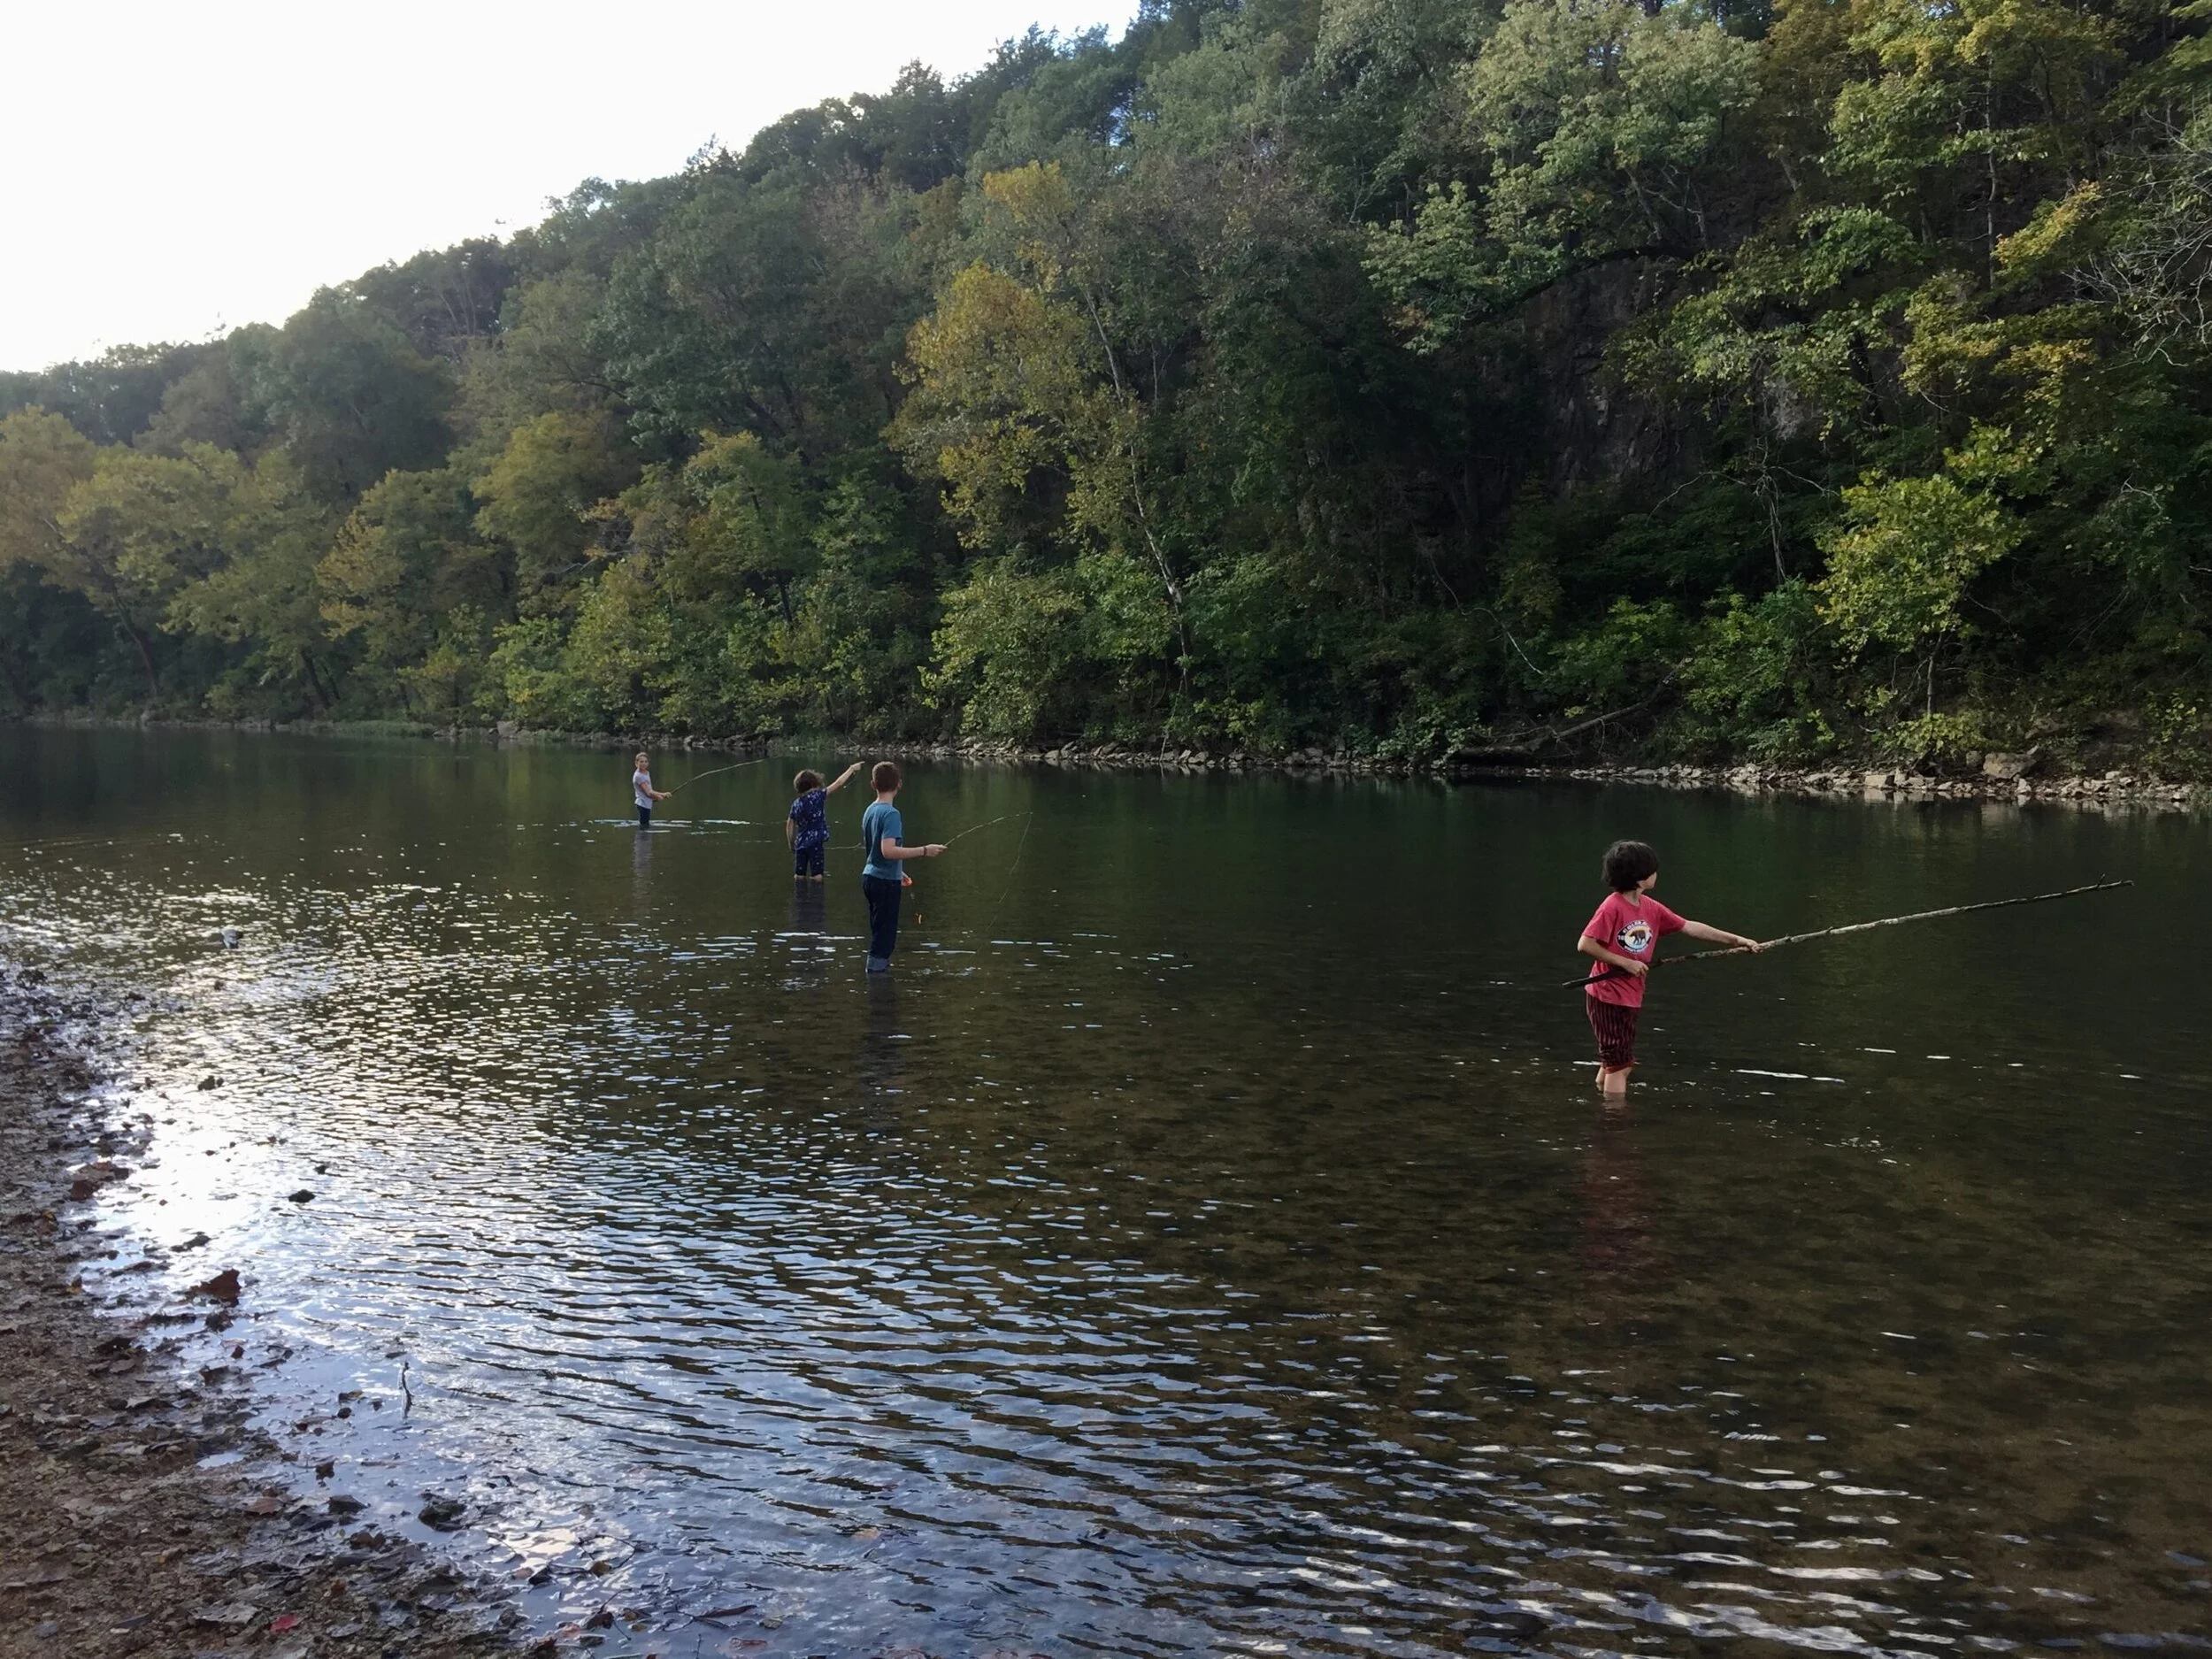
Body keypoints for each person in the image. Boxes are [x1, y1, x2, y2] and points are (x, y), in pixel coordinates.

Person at [1577, 840, 1761, 1096]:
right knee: (1620, 1065)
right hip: (1607, 994)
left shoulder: (1649, 907)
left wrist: (1736, 940)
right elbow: (1585, 944)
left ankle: (1600, 1095)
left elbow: (1688, 926)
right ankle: (1614, 1121)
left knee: (1614, 1058)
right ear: (1640, 879)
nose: (1656, 874)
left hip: (1630, 995)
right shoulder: (1613, 906)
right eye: (1652, 870)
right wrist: (1626, 962)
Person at [858, 761, 944, 972]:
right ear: (899, 784)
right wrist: (924, 850)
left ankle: (877, 981)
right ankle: (877, 985)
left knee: (879, 934)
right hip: (884, 883)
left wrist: (899, 871)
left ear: (872, 784)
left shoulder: (870, 810)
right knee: (884, 940)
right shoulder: (891, 814)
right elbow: (887, 851)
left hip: (870, 878)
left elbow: (874, 851)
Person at [785, 760, 865, 881]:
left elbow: (789, 825)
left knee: (799, 875)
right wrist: (852, 769)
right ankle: (816, 898)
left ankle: (800, 897)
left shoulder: (796, 804)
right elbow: (838, 783)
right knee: (817, 876)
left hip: (800, 844)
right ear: (814, 782)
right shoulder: (818, 796)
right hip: (816, 843)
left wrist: (791, 844)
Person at [632, 752, 669, 829]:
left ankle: (645, 840)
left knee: (646, 825)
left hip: (647, 804)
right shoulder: (639, 776)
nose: (644, 764)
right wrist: (663, 794)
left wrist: (656, 797)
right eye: (641, 762)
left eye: (646, 761)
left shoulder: (646, 773)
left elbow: (649, 791)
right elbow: (648, 792)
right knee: (644, 827)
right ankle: (641, 841)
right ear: (636, 763)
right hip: (642, 804)